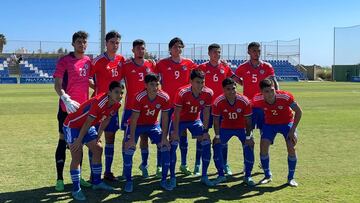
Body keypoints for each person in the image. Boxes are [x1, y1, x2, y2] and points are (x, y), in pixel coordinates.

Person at [63, 81, 124, 200]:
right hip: (73, 125)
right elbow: (87, 122)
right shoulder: (99, 102)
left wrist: (98, 136)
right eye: (116, 92)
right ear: (109, 92)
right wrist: (79, 140)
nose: (119, 95)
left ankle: (96, 182)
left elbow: (106, 120)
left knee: (98, 148)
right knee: (77, 155)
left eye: (122, 93)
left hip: (88, 126)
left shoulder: (117, 104)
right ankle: (76, 189)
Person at [53, 31, 92, 191]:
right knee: (63, 141)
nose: (82, 44)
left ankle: (79, 176)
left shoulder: (88, 61)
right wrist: (65, 98)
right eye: (78, 42)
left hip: (82, 111)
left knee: (79, 143)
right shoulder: (65, 61)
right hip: (66, 109)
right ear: (73, 44)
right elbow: (57, 83)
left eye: (84, 42)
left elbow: (88, 79)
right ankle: (60, 179)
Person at [123, 73, 172, 192]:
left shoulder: (164, 97)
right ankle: (128, 181)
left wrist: (165, 137)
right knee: (129, 149)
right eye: (152, 85)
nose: (155, 87)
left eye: (157, 84)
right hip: (137, 125)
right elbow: (134, 119)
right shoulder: (139, 97)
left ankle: (164, 180)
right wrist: (131, 139)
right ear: (145, 85)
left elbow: (165, 118)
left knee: (165, 148)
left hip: (153, 125)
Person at [155, 37, 198, 176]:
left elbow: (199, 75)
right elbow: (152, 76)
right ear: (170, 49)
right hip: (167, 105)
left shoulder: (189, 63)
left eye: (180, 47)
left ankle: (183, 164)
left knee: (182, 134)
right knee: (164, 134)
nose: (177, 49)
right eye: (175, 47)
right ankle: (159, 165)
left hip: (184, 105)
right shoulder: (162, 63)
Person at [252, 78, 302, 187]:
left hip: (287, 123)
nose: (270, 94)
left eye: (272, 90)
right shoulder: (257, 100)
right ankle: (267, 175)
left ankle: (291, 178)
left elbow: (299, 111)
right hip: (270, 124)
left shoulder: (285, 97)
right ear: (261, 92)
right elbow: (253, 115)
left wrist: (292, 130)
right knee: (263, 145)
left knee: (291, 146)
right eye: (267, 91)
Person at [118, 39, 156, 178]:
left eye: (143, 48)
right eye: (138, 48)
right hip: (130, 107)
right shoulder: (126, 65)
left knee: (144, 137)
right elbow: (115, 79)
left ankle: (144, 165)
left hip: (147, 108)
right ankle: (125, 167)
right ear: (133, 50)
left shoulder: (151, 64)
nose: (141, 50)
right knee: (127, 138)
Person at [170, 69, 214, 188]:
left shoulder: (208, 93)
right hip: (180, 121)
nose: (200, 85)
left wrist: (205, 131)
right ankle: (172, 177)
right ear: (191, 81)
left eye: (202, 82)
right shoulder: (182, 92)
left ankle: (204, 176)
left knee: (206, 141)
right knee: (173, 144)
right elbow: (177, 113)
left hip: (195, 120)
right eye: (197, 82)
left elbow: (206, 112)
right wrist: (175, 131)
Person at [90, 30, 125, 181]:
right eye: (112, 42)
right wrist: (97, 89)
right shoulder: (98, 61)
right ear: (106, 43)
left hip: (113, 107)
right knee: (94, 140)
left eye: (117, 42)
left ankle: (108, 172)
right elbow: (87, 77)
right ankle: (93, 174)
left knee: (110, 138)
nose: (115, 45)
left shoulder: (121, 60)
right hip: (98, 107)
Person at [197, 43, 236, 176]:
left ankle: (225, 164)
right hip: (205, 108)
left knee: (222, 137)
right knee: (202, 136)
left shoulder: (225, 67)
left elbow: (234, 80)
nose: (217, 54)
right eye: (214, 52)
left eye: (219, 52)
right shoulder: (201, 67)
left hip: (221, 108)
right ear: (209, 53)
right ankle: (198, 164)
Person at [211, 78, 255, 186]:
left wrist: (249, 137)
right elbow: (216, 121)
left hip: (242, 128)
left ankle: (248, 175)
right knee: (216, 145)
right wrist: (217, 136)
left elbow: (249, 122)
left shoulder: (244, 100)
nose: (231, 91)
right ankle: (221, 175)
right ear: (223, 90)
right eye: (228, 89)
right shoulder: (218, 101)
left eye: (233, 88)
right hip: (225, 128)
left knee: (249, 146)